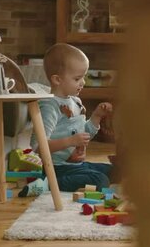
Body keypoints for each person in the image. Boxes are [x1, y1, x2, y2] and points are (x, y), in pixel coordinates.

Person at [21, 43, 114, 195]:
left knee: (115, 171)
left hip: (76, 165)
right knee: (100, 180)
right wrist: (71, 142)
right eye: (77, 78)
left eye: (83, 77)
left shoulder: (74, 101)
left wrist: (96, 116)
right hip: (57, 168)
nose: (83, 82)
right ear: (57, 80)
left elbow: (84, 135)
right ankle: (47, 184)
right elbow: (38, 146)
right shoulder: (49, 106)